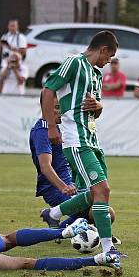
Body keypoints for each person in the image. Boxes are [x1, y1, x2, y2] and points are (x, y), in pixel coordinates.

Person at [41, 30, 124, 257]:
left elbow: (93, 113)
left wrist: (99, 107)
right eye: (110, 56)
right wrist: (50, 125)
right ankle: (108, 249)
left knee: (93, 193)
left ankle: (54, 214)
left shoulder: (96, 75)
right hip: (77, 141)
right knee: (102, 190)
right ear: (103, 49)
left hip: (93, 140)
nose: (108, 62)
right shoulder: (74, 63)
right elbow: (48, 90)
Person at [29, 101, 119, 244]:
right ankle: (89, 232)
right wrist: (62, 186)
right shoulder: (42, 131)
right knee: (102, 208)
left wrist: (99, 108)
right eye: (57, 107)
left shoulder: (64, 126)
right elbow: (45, 167)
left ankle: (62, 230)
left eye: (62, 107)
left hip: (72, 184)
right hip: (55, 189)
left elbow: (90, 119)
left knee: (105, 210)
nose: (61, 111)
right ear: (45, 108)